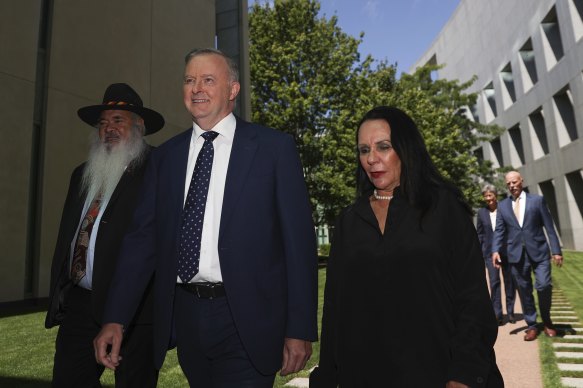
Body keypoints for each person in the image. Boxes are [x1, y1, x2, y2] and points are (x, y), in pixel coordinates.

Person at [93, 48, 318, 387]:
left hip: (249, 318)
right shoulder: (166, 158)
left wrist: (299, 329)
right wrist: (115, 318)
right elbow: (142, 242)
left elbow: (298, 246)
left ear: (233, 89)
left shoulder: (274, 149)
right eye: (189, 80)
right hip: (187, 318)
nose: (196, 88)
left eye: (208, 80)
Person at [310, 106, 503, 387]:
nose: (372, 159)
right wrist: (326, 378)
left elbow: (472, 298)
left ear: (405, 148)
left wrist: (463, 374)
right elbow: (336, 312)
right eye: (364, 150)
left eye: (383, 147)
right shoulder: (348, 222)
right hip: (365, 375)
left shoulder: (444, 208)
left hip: (440, 373)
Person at [45, 83, 164, 387]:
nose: (108, 128)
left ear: (139, 127)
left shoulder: (158, 170)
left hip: (138, 310)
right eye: (103, 123)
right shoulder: (81, 174)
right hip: (81, 306)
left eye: (118, 121)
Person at [492, 170, 563, 341]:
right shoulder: (502, 206)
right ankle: (532, 325)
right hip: (516, 254)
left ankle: (547, 321)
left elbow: (549, 227)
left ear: (521, 181)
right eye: (508, 183)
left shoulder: (537, 201)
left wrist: (556, 251)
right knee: (524, 291)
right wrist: (495, 250)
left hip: (539, 251)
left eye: (514, 182)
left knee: (544, 285)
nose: (511, 186)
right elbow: (500, 230)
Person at [476, 184, 517, 326]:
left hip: (506, 251)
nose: (488, 198)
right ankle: (497, 314)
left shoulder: (505, 209)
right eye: (485, 196)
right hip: (489, 253)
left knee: (509, 282)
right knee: (494, 283)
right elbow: (480, 234)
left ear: (495, 195)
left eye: (490, 195)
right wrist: (480, 251)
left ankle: (511, 312)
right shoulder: (481, 213)